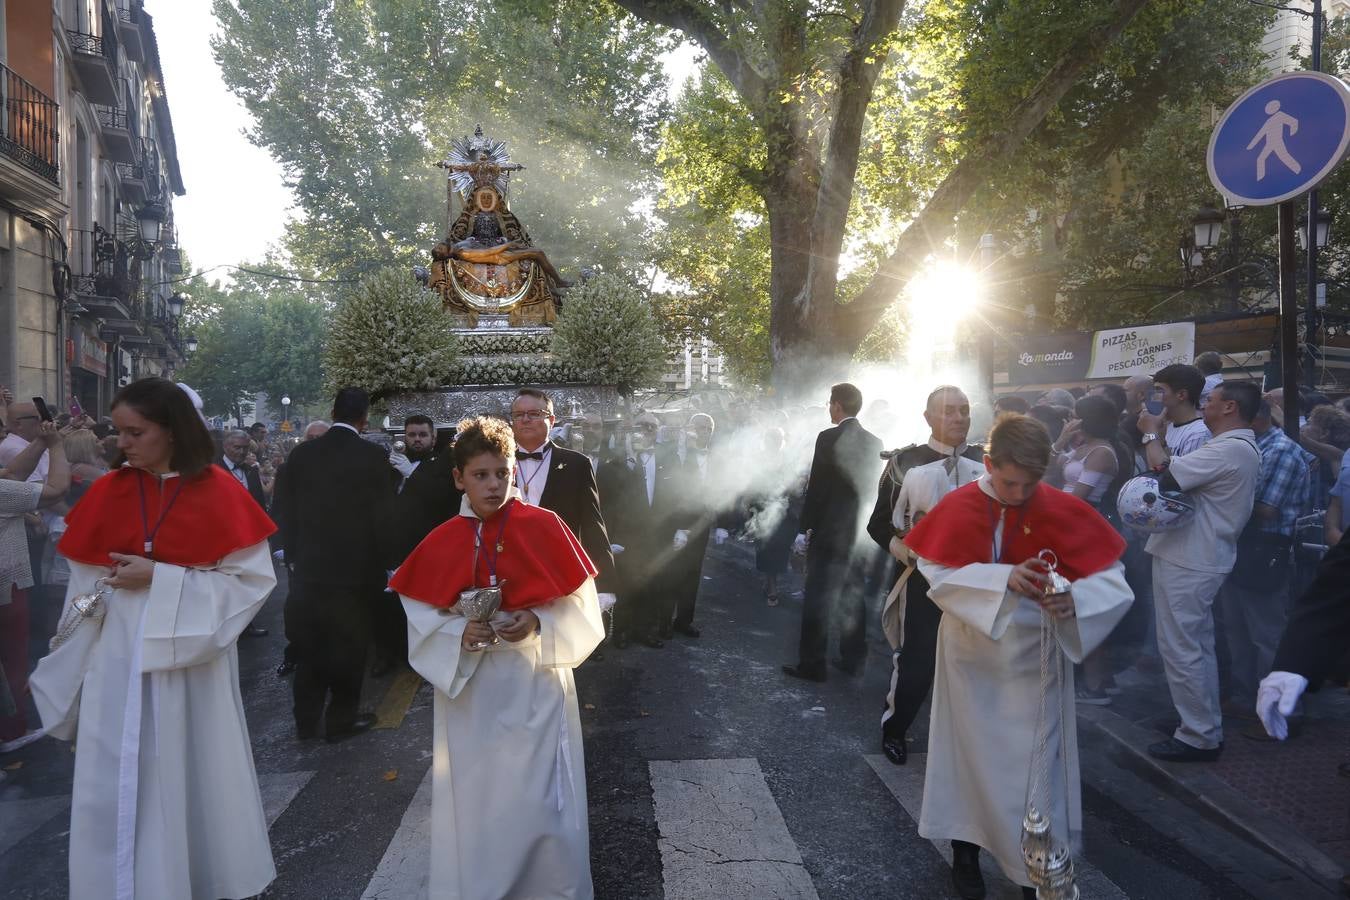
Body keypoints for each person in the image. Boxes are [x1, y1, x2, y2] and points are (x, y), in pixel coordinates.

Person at [28, 378, 278, 899]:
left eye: (135, 431)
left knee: (187, 776)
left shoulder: (217, 488)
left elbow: (250, 584)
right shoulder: (109, 491)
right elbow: (82, 588)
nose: (122, 442)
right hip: (115, 660)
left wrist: (161, 579)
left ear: (171, 430)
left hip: (189, 665)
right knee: (113, 784)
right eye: (119, 431)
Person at [903, 414, 1131, 900]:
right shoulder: (959, 504)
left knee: (1035, 772)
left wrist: (1077, 600)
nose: (1019, 493)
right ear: (988, 463)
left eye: (1030, 484)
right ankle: (966, 854)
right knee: (965, 761)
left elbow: (1113, 581)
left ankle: (1033, 871)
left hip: (1037, 661)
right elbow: (935, 570)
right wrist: (999, 578)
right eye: (1009, 482)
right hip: (971, 653)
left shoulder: (1060, 507)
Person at [390, 416, 603, 899]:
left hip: (533, 681)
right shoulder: (444, 537)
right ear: (459, 478)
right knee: (479, 794)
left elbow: (581, 603)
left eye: (501, 473)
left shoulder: (545, 526)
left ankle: (547, 888)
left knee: (541, 797)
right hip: (473, 691)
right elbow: (419, 612)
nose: (492, 485)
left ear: (513, 473)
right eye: (480, 475)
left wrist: (538, 622)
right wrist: (457, 633)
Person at [1136, 381, 1262, 762]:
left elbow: (1166, 475)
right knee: (1195, 646)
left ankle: (1198, 735)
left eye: (1212, 400)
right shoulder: (1233, 446)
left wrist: (1149, 434)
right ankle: (1199, 722)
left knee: (1182, 648)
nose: (1204, 405)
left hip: (1192, 557)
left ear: (1230, 408)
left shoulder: (1231, 448)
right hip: (1194, 555)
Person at [865, 385, 983, 764]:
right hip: (922, 580)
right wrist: (904, 552)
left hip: (979, 581)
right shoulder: (905, 461)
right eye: (948, 411)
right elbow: (879, 523)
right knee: (917, 661)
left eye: (964, 410)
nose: (958, 418)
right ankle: (896, 729)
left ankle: (967, 743)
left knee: (973, 664)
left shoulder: (988, 460)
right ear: (929, 417)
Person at [272, 388, 396, 742]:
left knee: (310, 647)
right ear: (364, 418)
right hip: (356, 574)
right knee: (349, 647)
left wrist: (290, 553)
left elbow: (284, 506)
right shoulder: (372, 456)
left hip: (309, 571)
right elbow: (383, 518)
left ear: (333, 411)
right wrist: (390, 563)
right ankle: (341, 719)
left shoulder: (303, 454)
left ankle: (306, 721)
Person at [784, 383, 883, 682]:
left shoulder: (828, 437)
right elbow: (870, 491)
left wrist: (804, 529)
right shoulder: (874, 441)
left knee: (817, 596)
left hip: (829, 531)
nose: (829, 408)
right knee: (853, 593)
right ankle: (853, 659)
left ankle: (813, 664)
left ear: (838, 405)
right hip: (856, 533)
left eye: (830, 403)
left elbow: (818, 488)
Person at [1219, 400, 1310, 712]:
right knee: (1237, 629)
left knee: (1266, 635)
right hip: (1242, 547)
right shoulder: (1252, 447)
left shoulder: (1281, 450)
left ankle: (1276, 709)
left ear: (1253, 417)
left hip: (1266, 550)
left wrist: (1222, 496)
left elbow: (1268, 510)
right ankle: (1247, 699)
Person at [509, 389, 616, 612]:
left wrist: (605, 584)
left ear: (552, 419)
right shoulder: (497, 462)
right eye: (519, 415)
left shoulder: (576, 464)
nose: (525, 419)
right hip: (509, 571)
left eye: (534, 413)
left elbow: (592, 523)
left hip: (560, 570)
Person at [0, 423, 69, 746]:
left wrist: (42, 440)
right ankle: (11, 731)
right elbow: (55, 490)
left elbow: (12, 471)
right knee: (13, 657)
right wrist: (56, 446)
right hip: (5, 583)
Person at [598, 413, 681, 648]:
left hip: (658, 532)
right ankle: (622, 631)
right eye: (640, 426)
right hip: (626, 534)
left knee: (652, 583)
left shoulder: (669, 458)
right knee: (626, 583)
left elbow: (676, 495)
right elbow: (606, 502)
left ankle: (645, 630)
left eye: (651, 427)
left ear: (657, 431)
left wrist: (678, 528)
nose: (645, 430)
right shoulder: (616, 461)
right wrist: (610, 536)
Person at [659, 412, 730, 638]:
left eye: (708, 428)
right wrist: (679, 525)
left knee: (693, 572)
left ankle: (684, 620)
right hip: (678, 522)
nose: (704, 432)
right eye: (700, 427)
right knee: (672, 571)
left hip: (701, 522)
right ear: (690, 429)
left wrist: (723, 523)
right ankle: (663, 621)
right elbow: (671, 492)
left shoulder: (717, 457)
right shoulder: (678, 454)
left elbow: (725, 488)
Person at [271, 420, 328, 679]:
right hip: (301, 550)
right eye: (311, 437)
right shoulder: (288, 469)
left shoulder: (338, 468)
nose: (315, 442)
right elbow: (280, 508)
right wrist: (283, 546)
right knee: (297, 605)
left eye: (321, 438)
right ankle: (295, 653)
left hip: (332, 550)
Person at [218, 429, 271, 638]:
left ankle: (246, 624)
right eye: (236, 447)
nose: (240, 452)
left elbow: (258, 503)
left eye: (245, 448)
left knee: (247, 582)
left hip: (249, 537)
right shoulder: (213, 469)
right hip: (223, 536)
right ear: (225, 446)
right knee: (224, 583)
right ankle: (224, 626)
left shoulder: (250, 470)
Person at [1146, 364, 1211, 457]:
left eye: (1159, 391)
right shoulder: (1166, 427)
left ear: (1181, 395)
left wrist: (1152, 434)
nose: (1153, 397)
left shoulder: (1198, 435)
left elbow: (1169, 470)